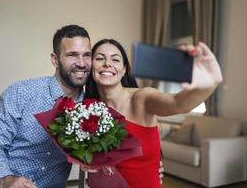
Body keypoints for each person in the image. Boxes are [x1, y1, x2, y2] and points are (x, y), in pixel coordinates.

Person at [85, 39, 223, 188]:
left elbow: (177, 102)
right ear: (91, 66)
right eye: (99, 58)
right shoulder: (88, 108)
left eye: (115, 59)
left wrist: (207, 85)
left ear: (124, 69)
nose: (107, 63)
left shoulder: (142, 98)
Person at [0, 24, 92, 188]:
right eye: (72, 55)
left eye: (87, 55)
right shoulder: (20, 92)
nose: (81, 63)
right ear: (55, 59)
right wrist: (6, 179)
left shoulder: (92, 108)